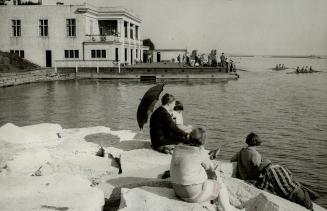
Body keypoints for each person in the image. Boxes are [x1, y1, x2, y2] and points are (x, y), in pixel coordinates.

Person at [170, 128, 242, 211]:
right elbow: (211, 169)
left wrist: (206, 154)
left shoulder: (178, 147)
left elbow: (192, 156)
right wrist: (211, 157)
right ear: (203, 141)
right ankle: (227, 208)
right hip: (191, 194)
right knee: (219, 184)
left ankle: (219, 204)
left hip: (177, 191)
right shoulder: (200, 152)